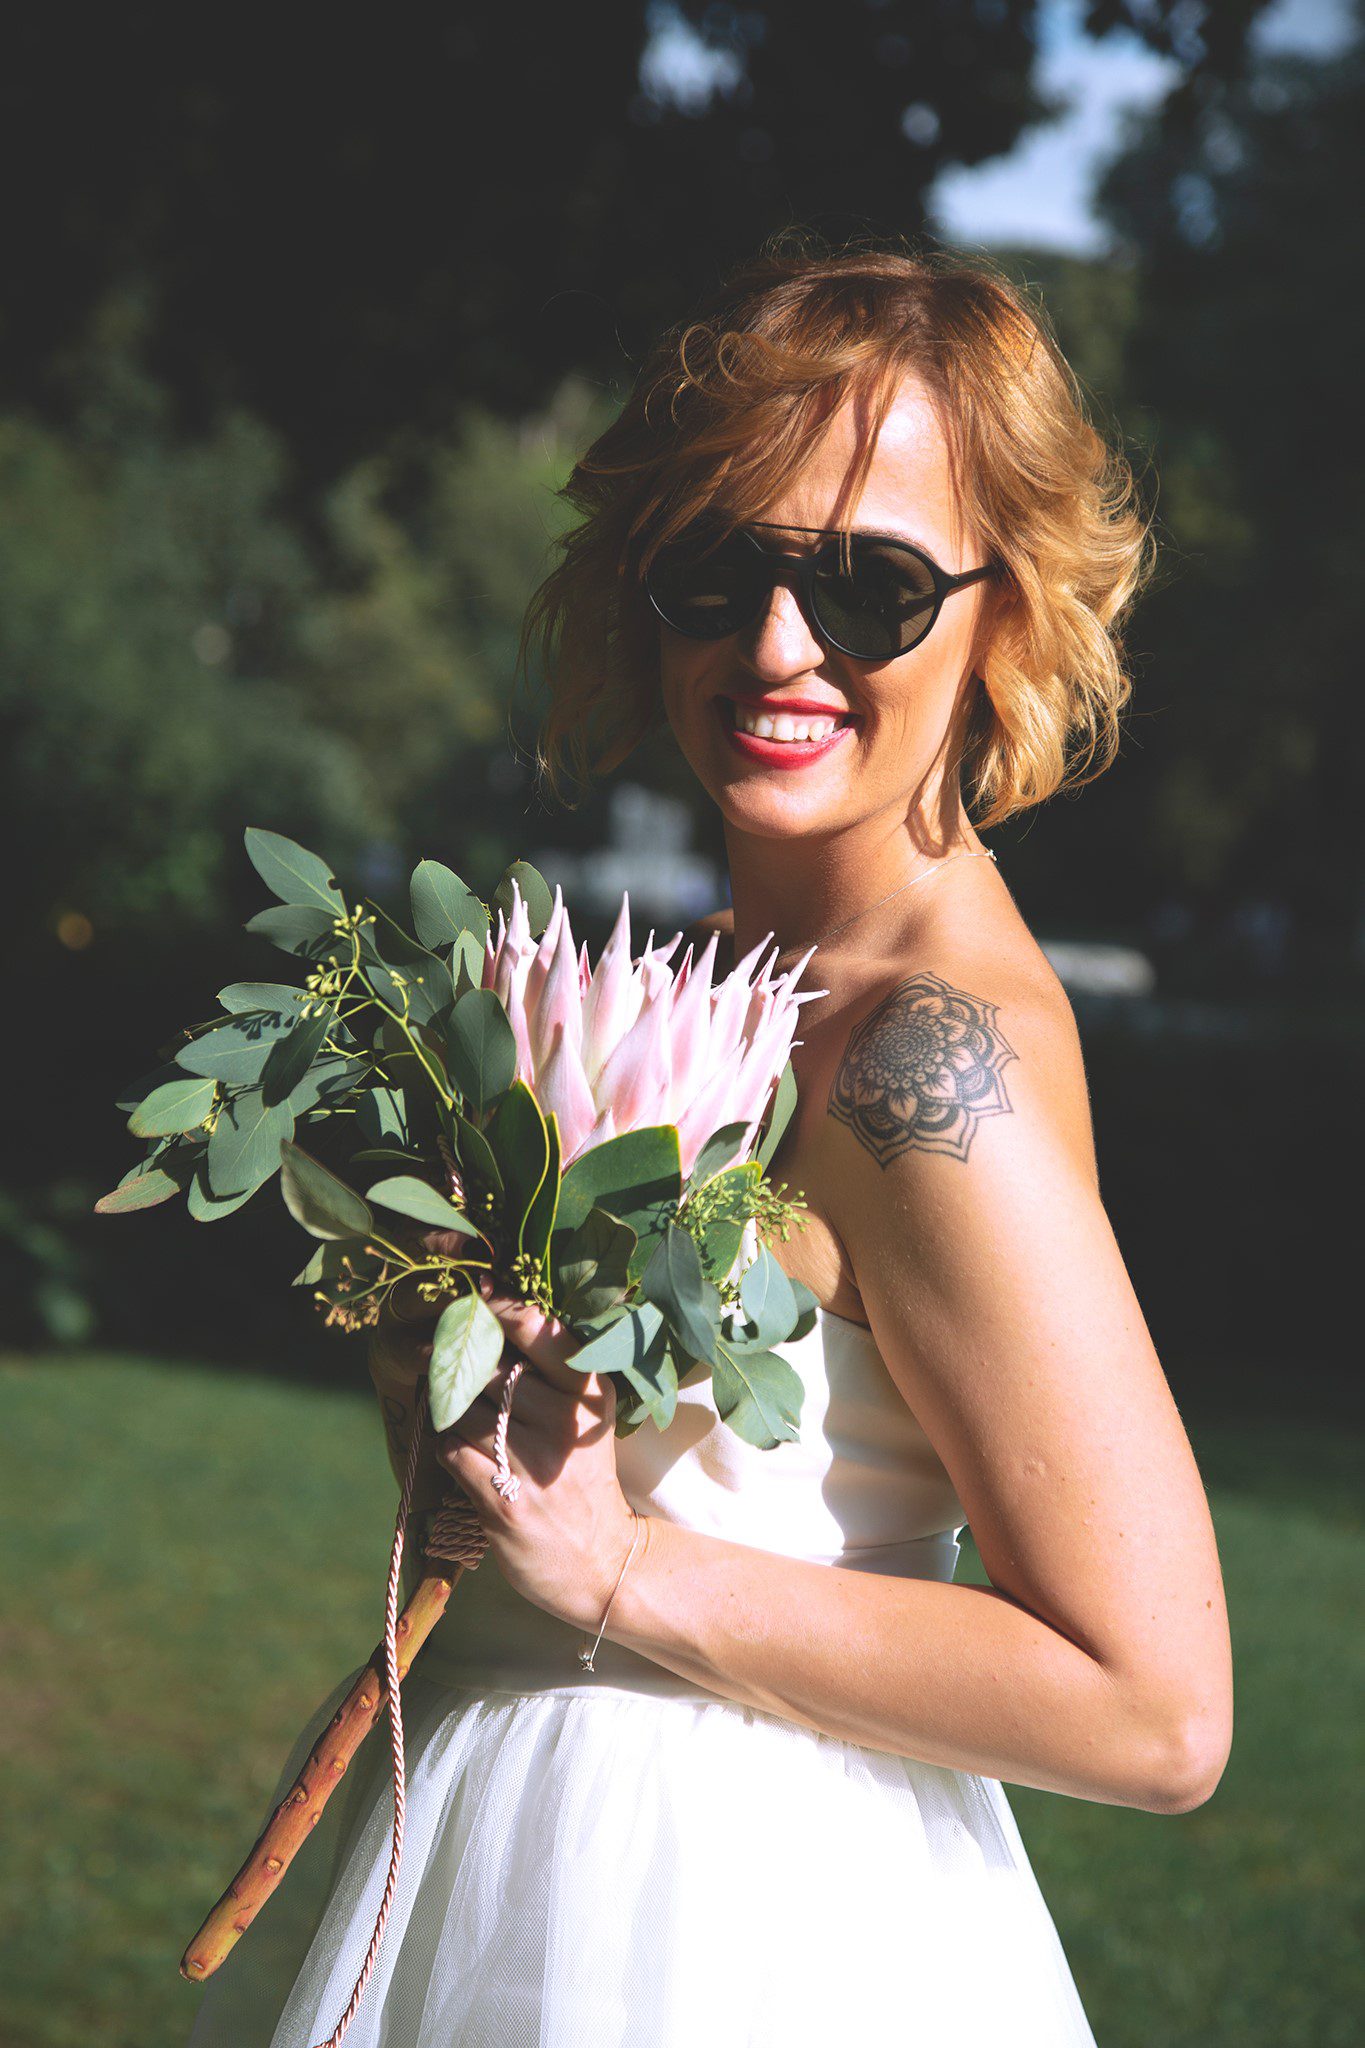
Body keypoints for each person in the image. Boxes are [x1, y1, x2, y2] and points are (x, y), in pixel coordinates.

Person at [187, 237, 1233, 2047]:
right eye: (714, 569)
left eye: (871, 588)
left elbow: (1156, 1706)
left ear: (1003, 613)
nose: (773, 645)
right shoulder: (701, 987)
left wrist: (619, 1570)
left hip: (729, 1927)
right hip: (494, 1851)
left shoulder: (928, 1060)